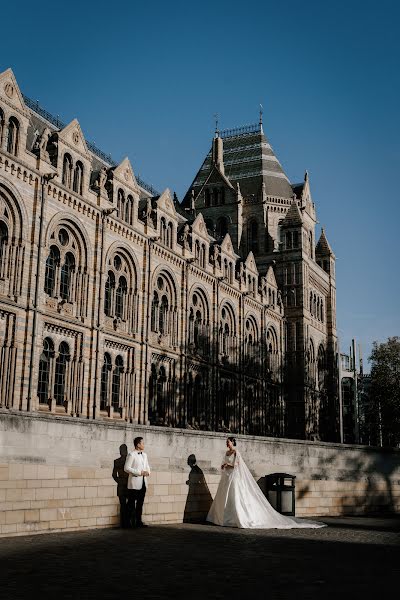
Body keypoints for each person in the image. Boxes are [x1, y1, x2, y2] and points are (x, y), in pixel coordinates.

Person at [206, 437, 326, 529]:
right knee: (226, 497)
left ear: (233, 442)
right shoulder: (226, 453)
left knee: (235, 496)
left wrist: (229, 465)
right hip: (227, 477)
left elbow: (237, 465)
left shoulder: (237, 453)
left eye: (228, 442)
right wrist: (223, 465)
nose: (227, 444)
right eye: (226, 442)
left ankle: (236, 518)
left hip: (234, 477)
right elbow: (225, 462)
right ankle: (223, 518)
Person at [124, 436, 151, 528]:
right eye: (142, 443)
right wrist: (140, 472)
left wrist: (148, 472)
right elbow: (126, 468)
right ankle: (127, 523)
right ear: (138, 444)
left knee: (140, 503)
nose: (144, 445)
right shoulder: (132, 454)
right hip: (134, 483)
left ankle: (138, 522)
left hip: (143, 483)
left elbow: (147, 466)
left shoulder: (145, 455)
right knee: (131, 504)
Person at [112, 444, 129, 528]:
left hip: (122, 485)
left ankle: (124, 523)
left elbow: (114, 475)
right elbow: (114, 475)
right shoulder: (129, 460)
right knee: (127, 505)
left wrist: (119, 481)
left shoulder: (117, 461)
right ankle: (127, 523)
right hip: (128, 485)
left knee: (123, 505)